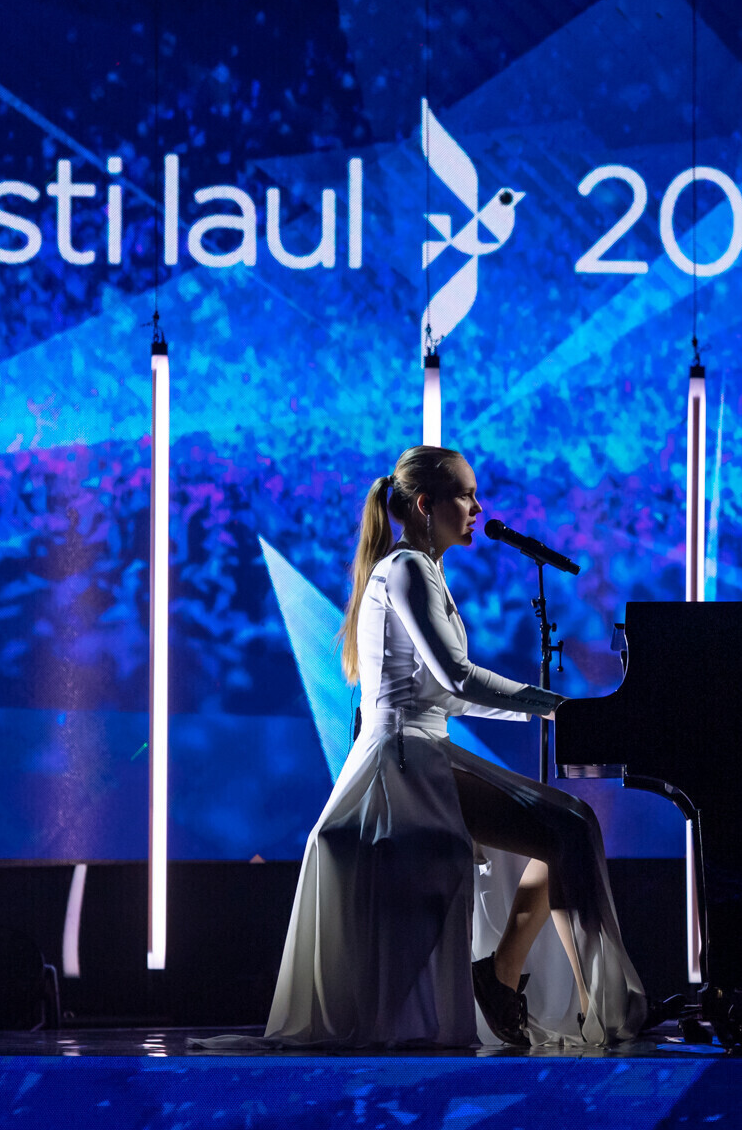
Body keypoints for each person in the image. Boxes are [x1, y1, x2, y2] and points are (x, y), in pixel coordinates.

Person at [202, 445, 646, 1050]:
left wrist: (543, 709)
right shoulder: (407, 568)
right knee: (568, 828)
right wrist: (554, 705)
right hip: (405, 764)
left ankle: (507, 977)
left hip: (422, 750)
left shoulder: (419, 570)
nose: (478, 507)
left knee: (570, 827)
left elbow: (447, 695)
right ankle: (573, 1002)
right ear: (423, 504)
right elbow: (456, 678)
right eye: (466, 495)